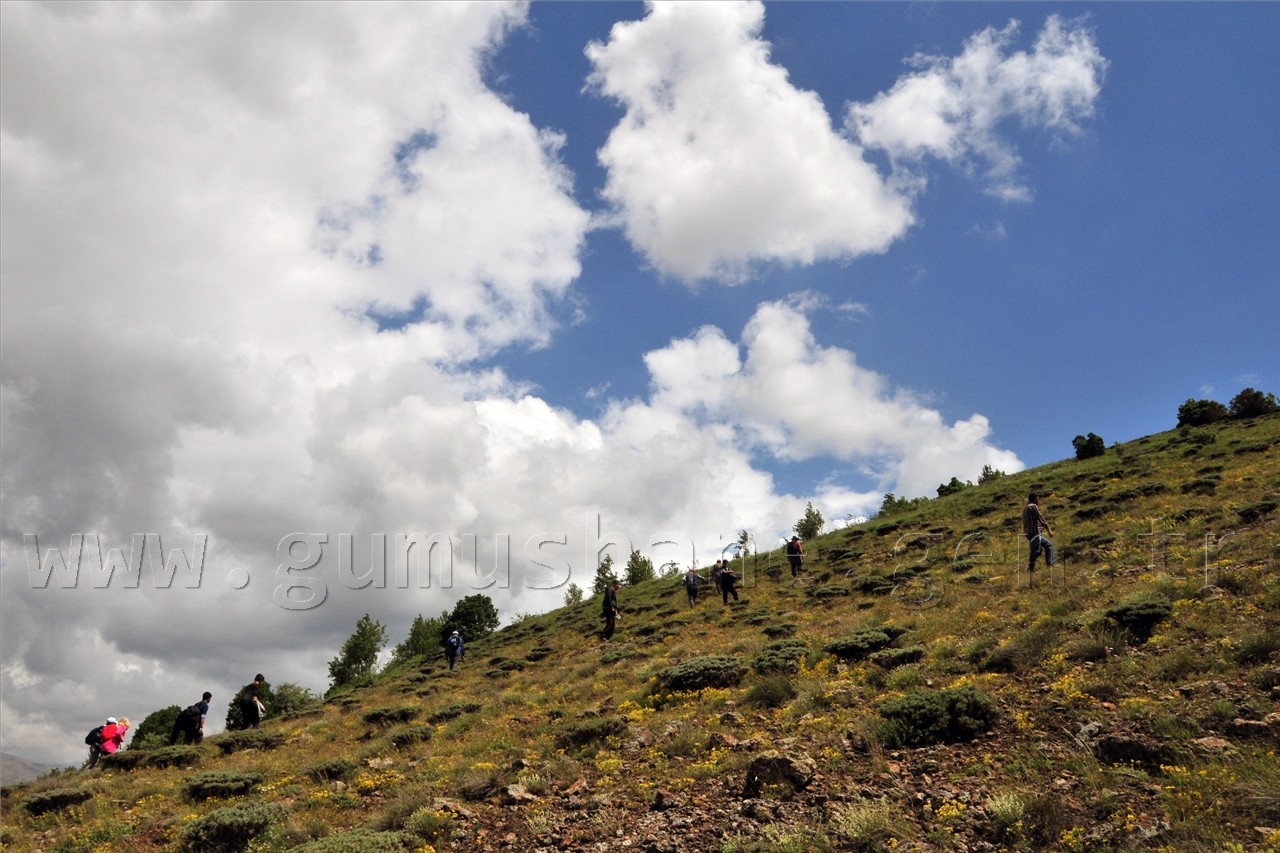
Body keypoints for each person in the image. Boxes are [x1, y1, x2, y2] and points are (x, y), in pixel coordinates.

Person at [1022, 492, 1054, 585]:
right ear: (1035, 499)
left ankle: (1049, 564)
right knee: (1036, 550)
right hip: (1034, 532)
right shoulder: (1033, 506)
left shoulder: (1025, 509)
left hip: (1030, 532)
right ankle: (1031, 568)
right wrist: (1049, 531)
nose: (1039, 501)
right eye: (1038, 499)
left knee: (1048, 545)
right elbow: (1041, 519)